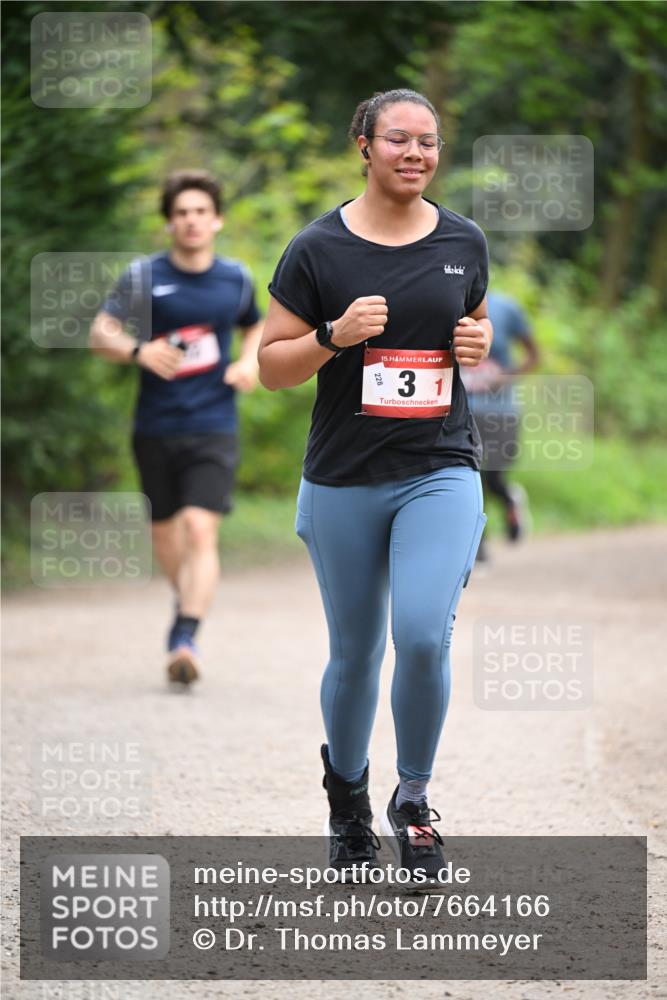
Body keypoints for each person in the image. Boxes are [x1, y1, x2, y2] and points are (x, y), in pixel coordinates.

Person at [258, 89, 491, 879]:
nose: (415, 154)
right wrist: (332, 335)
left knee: (422, 635)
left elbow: (474, 329)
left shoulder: (463, 241)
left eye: (428, 141)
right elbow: (270, 367)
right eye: (398, 139)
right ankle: (347, 804)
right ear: (363, 145)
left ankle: (413, 803)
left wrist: (477, 341)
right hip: (344, 476)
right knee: (354, 653)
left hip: (439, 467)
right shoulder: (316, 248)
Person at [90, 169, 263, 685]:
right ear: (169, 222)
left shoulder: (236, 278)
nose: (191, 221)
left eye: (200, 212)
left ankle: (185, 636)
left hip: (215, 422)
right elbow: (101, 333)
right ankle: (187, 601)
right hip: (156, 424)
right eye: (182, 213)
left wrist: (248, 362)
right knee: (165, 533)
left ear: (217, 220)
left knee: (200, 528)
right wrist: (138, 351)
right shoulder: (143, 276)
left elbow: (255, 325)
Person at [459, 291, 540, 561]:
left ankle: (509, 500)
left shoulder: (507, 308)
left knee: (492, 479)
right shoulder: (447, 302)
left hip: (501, 412)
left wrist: (505, 378)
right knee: (470, 477)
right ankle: (479, 548)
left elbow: (534, 355)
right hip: (462, 412)